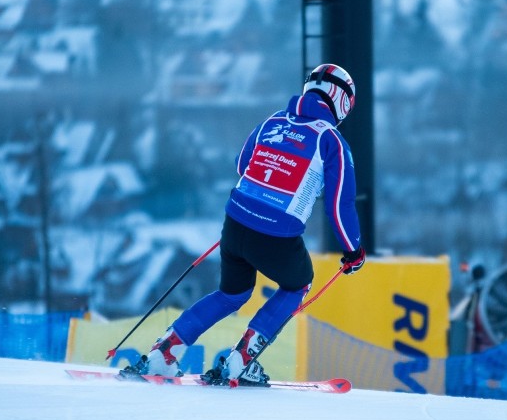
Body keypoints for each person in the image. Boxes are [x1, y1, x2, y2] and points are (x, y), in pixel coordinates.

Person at [121, 63, 366, 385]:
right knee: (297, 284)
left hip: (235, 223)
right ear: (342, 101)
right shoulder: (331, 141)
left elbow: (242, 164)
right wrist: (353, 251)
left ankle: (163, 355)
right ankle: (240, 363)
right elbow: (340, 204)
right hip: (277, 233)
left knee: (232, 293)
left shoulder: (272, 120)